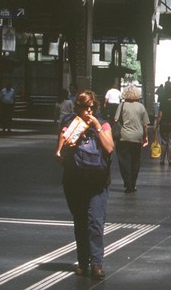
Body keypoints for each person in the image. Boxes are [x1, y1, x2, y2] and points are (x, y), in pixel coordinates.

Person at [55, 90, 114, 280]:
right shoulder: (69, 124)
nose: (89, 111)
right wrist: (69, 144)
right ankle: (82, 262)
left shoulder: (103, 124)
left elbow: (110, 148)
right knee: (80, 222)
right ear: (78, 108)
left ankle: (96, 263)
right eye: (85, 107)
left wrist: (97, 127)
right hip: (75, 180)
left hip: (98, 181)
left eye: (92, 107)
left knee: (95, 223)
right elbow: (60, 155)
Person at [113, 85, 149, 193]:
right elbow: (145, 124)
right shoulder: (141, 107)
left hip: (123, 137)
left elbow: (115, 119)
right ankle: (133, 184)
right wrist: (145, 137)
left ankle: (127, 183)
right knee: (135, 161)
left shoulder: (122, 105)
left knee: (124, 161)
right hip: (137, 137)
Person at [156, 95, 171, 166]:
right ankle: (170, 160)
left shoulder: (163, 102)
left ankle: (162, 160)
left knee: (164, 141)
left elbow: (160, 115)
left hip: (163, 123)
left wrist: (157, 124)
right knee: (170, 142)